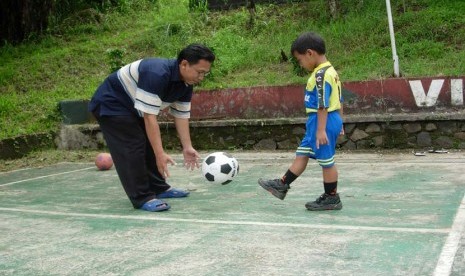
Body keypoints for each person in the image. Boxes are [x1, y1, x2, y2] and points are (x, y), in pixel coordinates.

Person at [89, 43, 215, 212]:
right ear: (184, 64)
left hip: (133, 107)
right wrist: (160, 154)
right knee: (132, 146)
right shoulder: (157, 73)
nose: (201, 78)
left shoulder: (185, 84)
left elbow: (181, 115)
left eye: (205, 74)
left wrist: (187, 147)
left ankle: (159, 188)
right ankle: (141, 197)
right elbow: (150, 117)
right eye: (199, 72)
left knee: (147, 144)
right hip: (111, 104)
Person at [258, 32, 344, 211]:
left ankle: (331, 197)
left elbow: (322, 105)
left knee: (327, 161)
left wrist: (321, 130)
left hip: (323, 121)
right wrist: (340, 122)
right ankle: (282, 184)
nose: (300, 64)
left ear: (310, 53)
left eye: (300, 60)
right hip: (322, 120)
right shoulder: (330, 72)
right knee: (302, 153)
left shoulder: (321, 75)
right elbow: (340, 99)